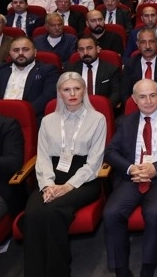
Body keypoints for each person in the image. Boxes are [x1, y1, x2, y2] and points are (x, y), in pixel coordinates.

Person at [22, 72, 106, 277]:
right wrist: (47, 185)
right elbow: (42, 157)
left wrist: (67, 186)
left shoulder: (97, 119)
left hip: (84, 178)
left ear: (84, 91)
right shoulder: (48, 120)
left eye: (77, 88)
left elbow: (94, 162)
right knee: (32, 213)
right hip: (52, 174)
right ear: (59, 93)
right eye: (67, 90)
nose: (72, 94)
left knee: (54, 210)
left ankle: (57, 271)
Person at [104, 79, 157, 277]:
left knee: (154, 212)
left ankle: (147, 270)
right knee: (111, 213)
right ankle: (121, 270)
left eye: (152, 95)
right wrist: (131, 168)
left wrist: (155, 168)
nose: (148, 101)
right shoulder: (125, 122)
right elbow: (111, 152)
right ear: (134, 99)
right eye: (142, 97)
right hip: (132, 177)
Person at [0, 36, 60, 121]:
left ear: (35, 52)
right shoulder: (2, 70)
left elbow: (47, 97)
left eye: (25, 50)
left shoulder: (47, 70)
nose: (20, 53)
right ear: (10, 53)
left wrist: (23, 113)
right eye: (16, 50)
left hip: (30, 118)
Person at [121, 28, 157, 102]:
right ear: (138, 44)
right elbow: (125, 94)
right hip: (136, 105)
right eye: (143, 42)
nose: (147, 46)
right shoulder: (130, 64)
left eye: (151, 42)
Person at [66, 36, 122, 108]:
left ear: (98, 49)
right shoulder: (70, 70)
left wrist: (102, 108)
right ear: (78, 51)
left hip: (102, 109)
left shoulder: (111, 70)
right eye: (81, 49)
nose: (85, 53)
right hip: (76, 109)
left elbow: (116, 94)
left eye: (89, 48)